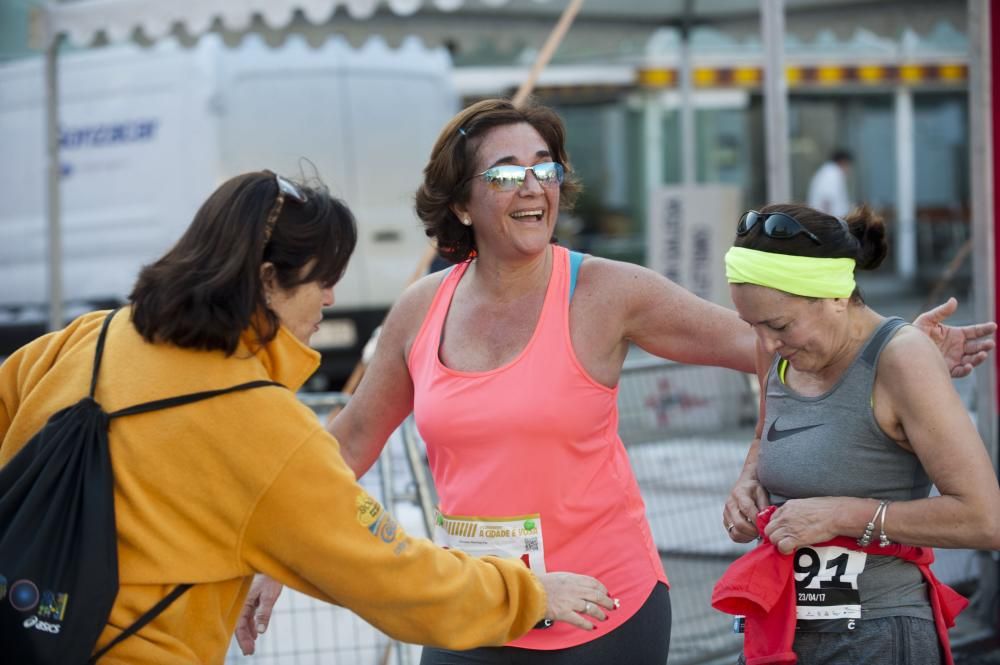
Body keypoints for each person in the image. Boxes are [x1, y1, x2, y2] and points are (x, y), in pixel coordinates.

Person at [237, 100, 995, 664]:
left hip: (605, 611)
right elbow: (348, 444)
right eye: (507, 172)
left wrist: (894, 351)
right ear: (462, 201)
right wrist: (278, 552)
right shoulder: (419, 309)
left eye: (546, 166)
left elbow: (772, 346)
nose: (534, 185)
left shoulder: (607, 292)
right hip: (474, 606)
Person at [0, 170, 617, 664]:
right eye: (321, 280)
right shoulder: (260, 428)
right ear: (268, 281)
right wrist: (530, 593)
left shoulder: (89, 338)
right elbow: (392, 574)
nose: (330, 298)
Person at [717, 204, 1000, 664]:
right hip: (783, 628)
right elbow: (766, 436)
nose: (766, 343)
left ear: (834, 296)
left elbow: (985, 519)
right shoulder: (777, 353)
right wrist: (748, 484)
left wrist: (844, 516)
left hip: (878, 633)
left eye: (779, 325)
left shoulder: (901, 358)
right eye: (753, 326)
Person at [807, 149, 853, 218]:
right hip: (829, 222)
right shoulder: (832, 173)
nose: (849, 170)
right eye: (848, 165)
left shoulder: (829, 172)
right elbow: (826, 200)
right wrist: (828, 223)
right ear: (843, 162)